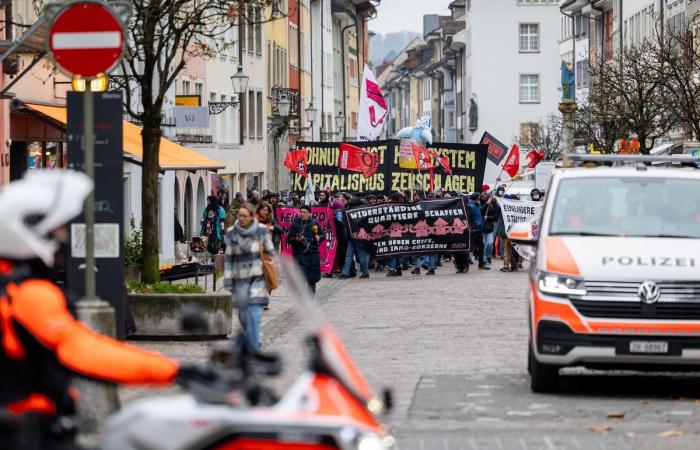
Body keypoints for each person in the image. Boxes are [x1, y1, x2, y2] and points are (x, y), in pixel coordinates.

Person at [0, 171, 181, 450]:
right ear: (29, 231)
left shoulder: (10, 286)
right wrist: (173, 371)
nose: (63, 238)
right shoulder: (29, 294)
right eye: (56, 229)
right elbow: (81, 350)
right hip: (26, 433)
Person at [224, 203, 276, 353]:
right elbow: (229, 259)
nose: (241, 218)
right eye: (239, 215)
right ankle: (256, 339)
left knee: (254, 314)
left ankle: (254, 349)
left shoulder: (261, 231)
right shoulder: (232, 232)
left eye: (244, 216)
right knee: (244, 317)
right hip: (240, 281)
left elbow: (270, 253)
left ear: (252, 216)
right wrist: (228, 281)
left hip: (258, 280)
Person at [288, 205, 326, 294]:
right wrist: (296, 239)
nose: (302, 214)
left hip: (313, 254)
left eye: (304, 212)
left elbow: (323, 235)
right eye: (301, 212)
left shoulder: (314, 223)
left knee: (312, 278)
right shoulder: (295, 224)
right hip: (299, 254)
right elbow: (289, 239)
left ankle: (310, 296)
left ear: (309, 213)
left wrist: (318, 237)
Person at [338, 198, 370, 279]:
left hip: (358, 237)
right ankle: (345, 273)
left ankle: (365, 272)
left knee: (357, 255)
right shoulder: (362, 211)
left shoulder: (350, 211)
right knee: (353, 255)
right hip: (354, 237)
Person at [468, 193, 489, 270]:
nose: (480, 199)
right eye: (479, 197)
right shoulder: (471, 206)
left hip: (478, 230)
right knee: (470, 247)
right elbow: (471, 218)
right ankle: (466, 261)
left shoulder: (476, 205)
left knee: (481, 247)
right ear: (476, 198)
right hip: (474, 230)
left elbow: (480, 211)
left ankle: (481, 263)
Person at [481, 194, 501, 265]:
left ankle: (488, 256)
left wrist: (488, 217)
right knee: (483, 244)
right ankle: (484, 258)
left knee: (489, 243)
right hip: (482, 227)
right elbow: (481, 210)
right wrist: (486, 204)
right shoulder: (482, 203)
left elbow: (496, 217)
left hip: (490, 227)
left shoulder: (494, 205)